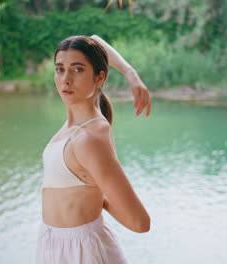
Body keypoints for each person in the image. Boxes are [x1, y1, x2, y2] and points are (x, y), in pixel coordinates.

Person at [35, 35, 151, 264]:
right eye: (60, 69)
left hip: (82, 252)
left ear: (99, 78)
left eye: (77, 70)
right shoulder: (74, 126)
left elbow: (139, 222)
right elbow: (95, 39)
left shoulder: (90, 137)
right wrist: (129, 73)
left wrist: (101, 197)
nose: (65, 80)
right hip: (52, 245)